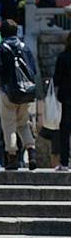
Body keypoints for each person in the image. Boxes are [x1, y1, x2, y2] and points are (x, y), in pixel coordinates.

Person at [0, 19, 37, 170]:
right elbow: (33, 70)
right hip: (27, 92)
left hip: (8, 92)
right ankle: (31, 151)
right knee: (23, 124)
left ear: (1, 33)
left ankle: (12, 157)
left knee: (9, 125)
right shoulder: (25, 47)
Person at [53, 32, 71, 171]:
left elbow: (57, 79)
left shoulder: (63, 57)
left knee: (65, 129)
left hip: (67, 97)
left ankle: (64, 162)